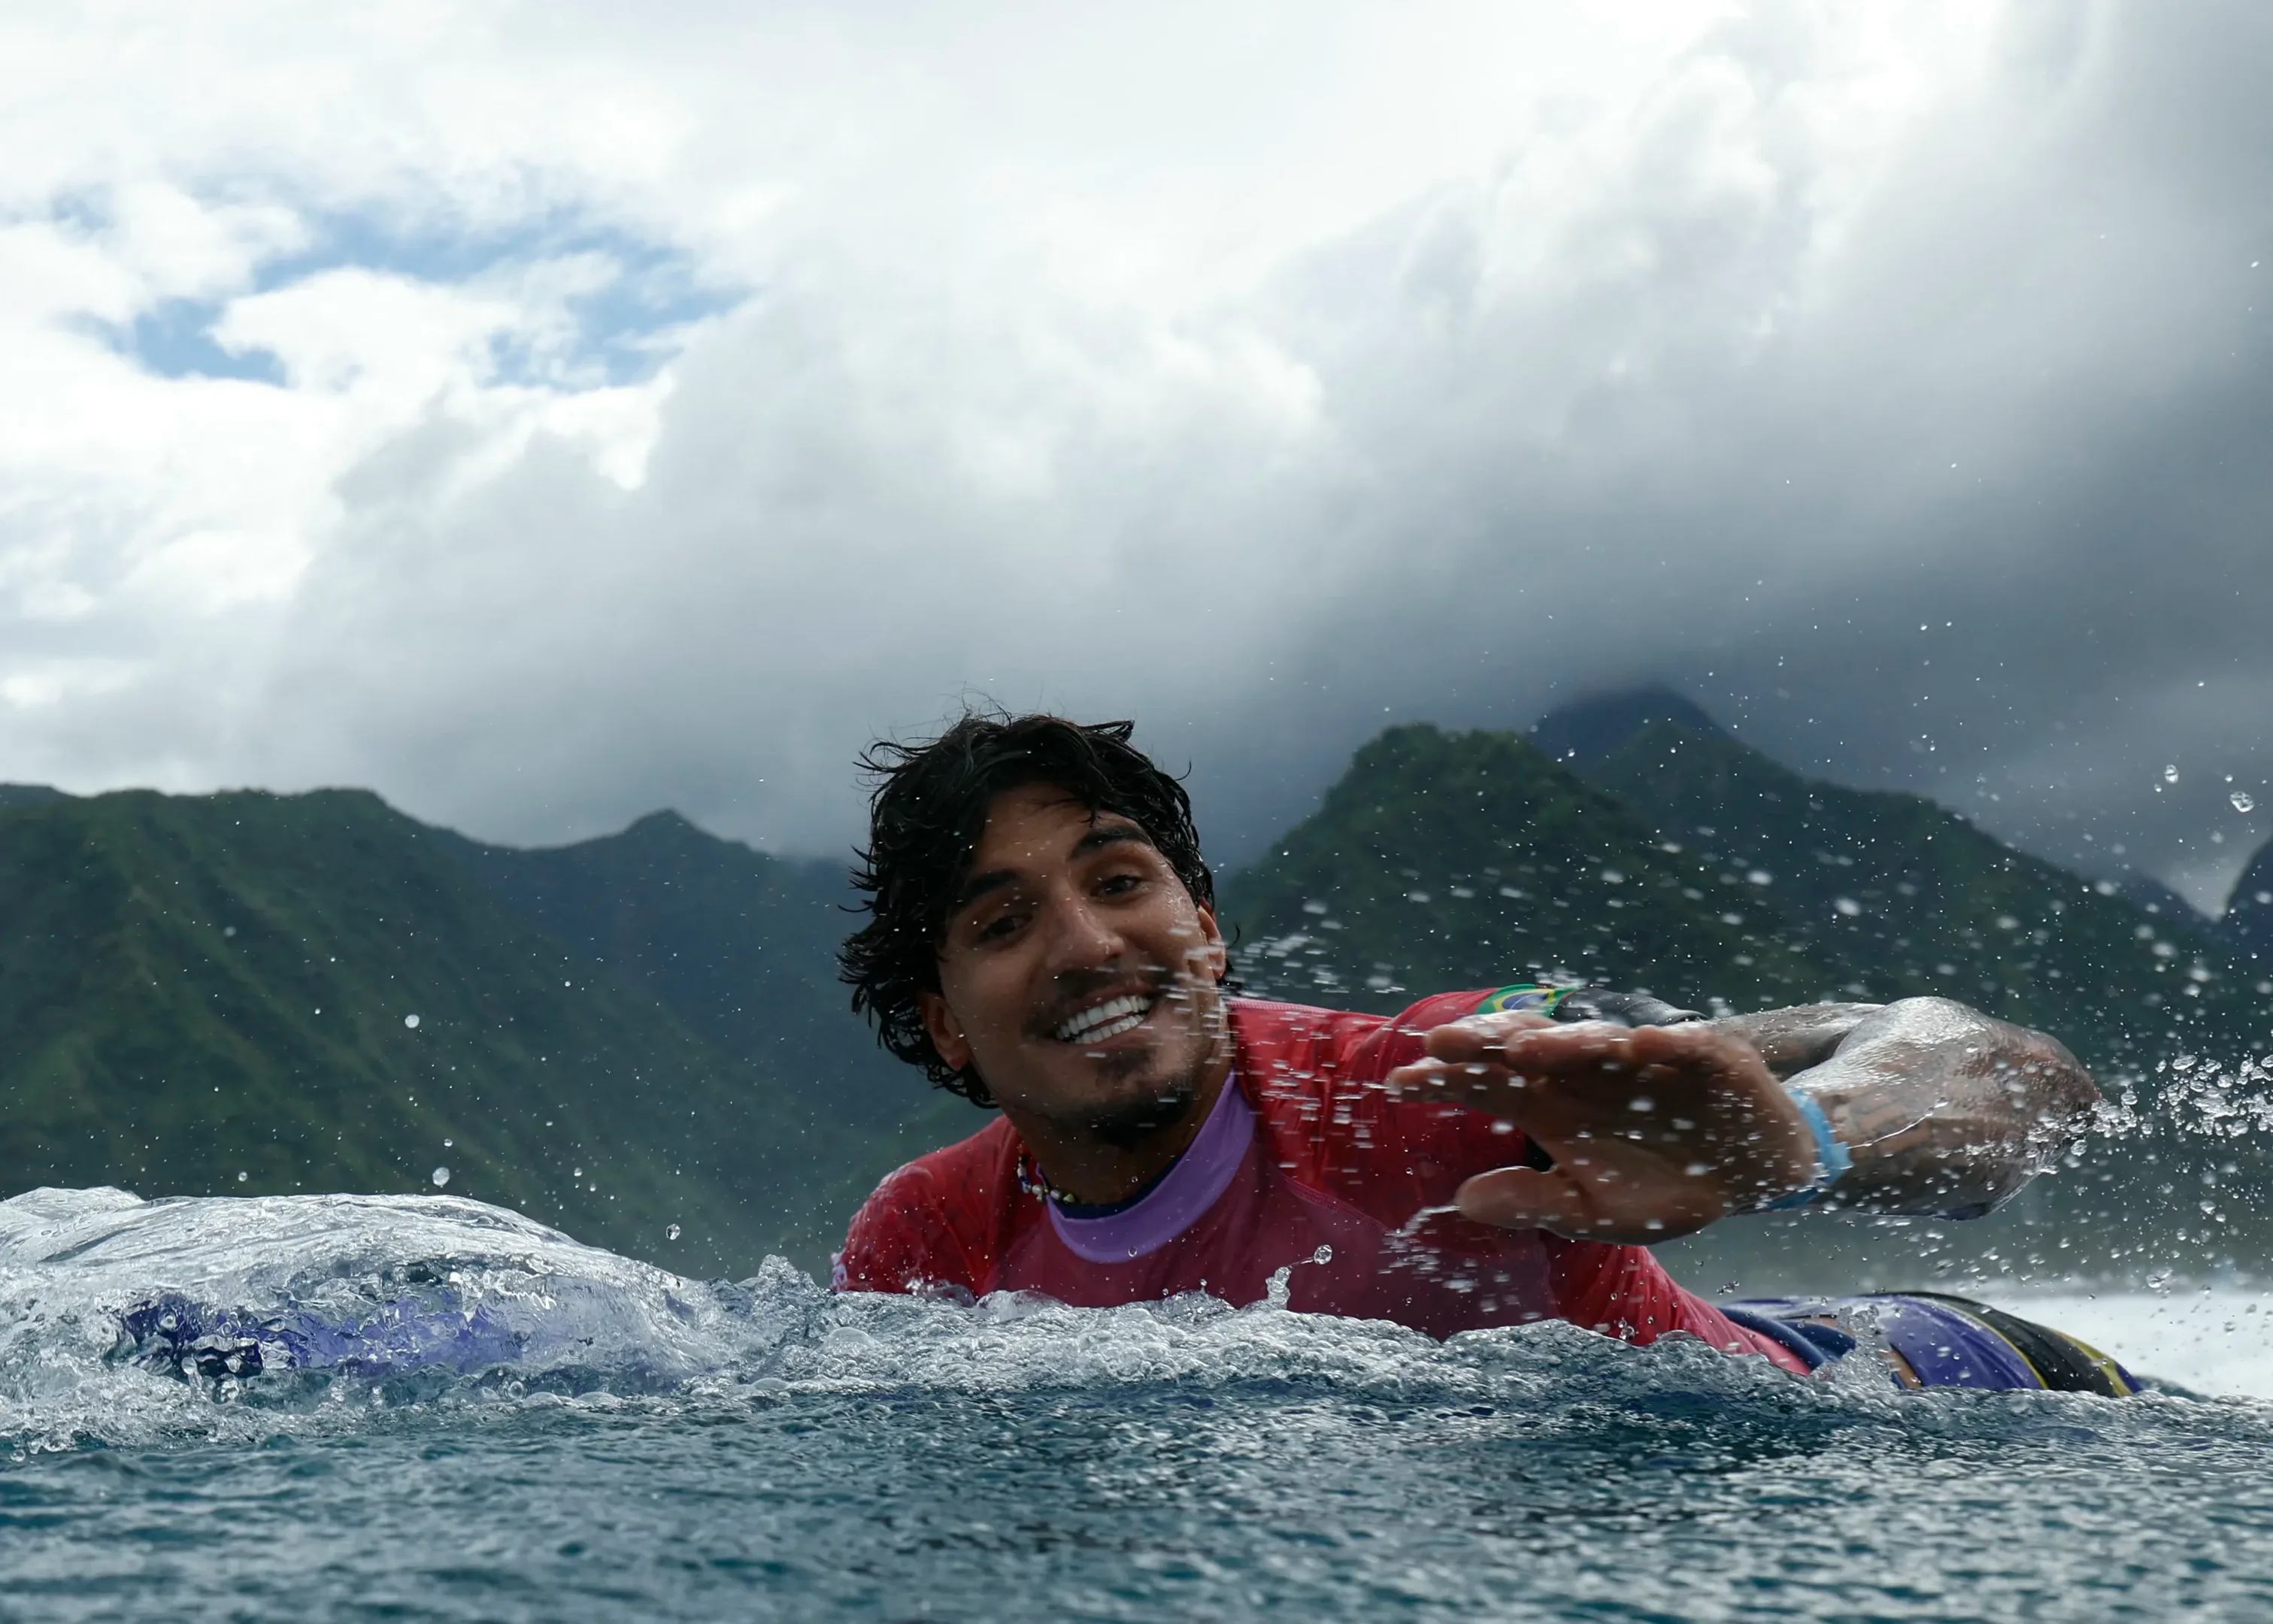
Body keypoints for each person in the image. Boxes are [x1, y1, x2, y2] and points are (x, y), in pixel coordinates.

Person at [833, 712, 2136, 1395]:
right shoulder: (926, 1242)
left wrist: (1797, 1145)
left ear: (1208, 931)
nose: (1084, 944)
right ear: (943, 1018)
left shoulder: (1440, 1084)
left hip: (1951, 1393)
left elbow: (2018, 1078)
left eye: (1120, 879)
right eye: (1002, 922)